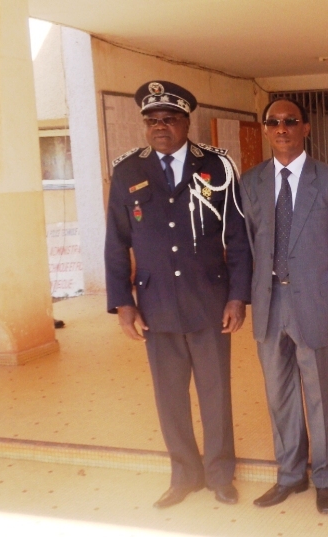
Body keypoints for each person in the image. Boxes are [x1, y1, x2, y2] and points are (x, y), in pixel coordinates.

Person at [105, 81, 252, 508]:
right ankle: (185, 474)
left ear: (187, 122)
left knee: (215, 394)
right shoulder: (128, 171)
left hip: (209, 300)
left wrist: (237, 296)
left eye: (168, 119)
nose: (159, 127)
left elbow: (238, 237)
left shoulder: (217, 167)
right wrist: (123, 302)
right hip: (155, 305)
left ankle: (221, 473)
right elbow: (116, 241)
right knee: (169, 397)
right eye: (151, 120)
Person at [238, 98, 328, 515]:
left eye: (290, 121)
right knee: (279, 394)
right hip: (270, 304)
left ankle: (324, 475)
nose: (281, 128)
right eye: (273, 122)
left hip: (316, 302)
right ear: (266, 129)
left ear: (305, 128)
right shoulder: (249, 183)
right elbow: (247, 245)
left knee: (321, 394)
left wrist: (318, 283)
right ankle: (290, 474)